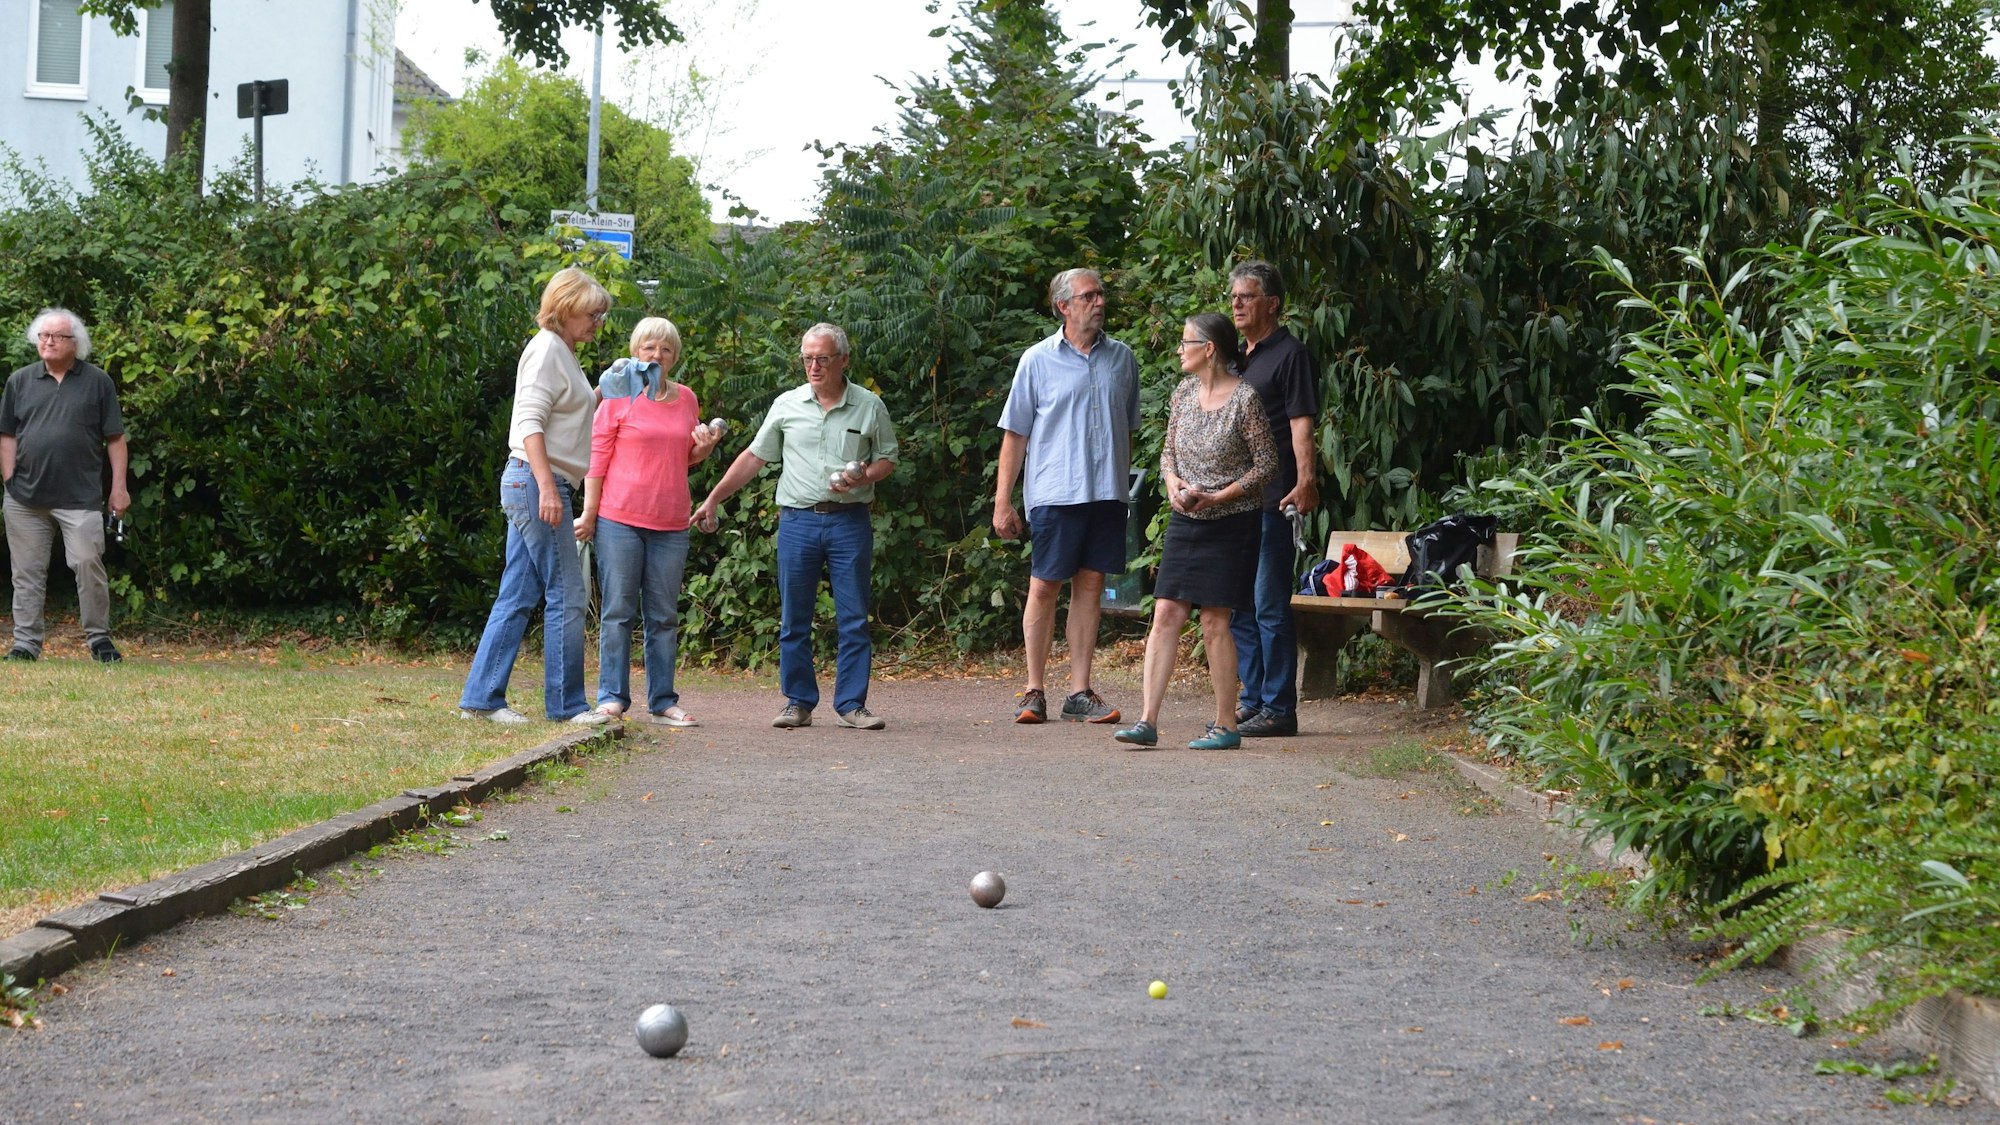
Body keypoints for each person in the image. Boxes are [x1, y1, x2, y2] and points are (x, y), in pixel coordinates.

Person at [693, 324, 898, 731]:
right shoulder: (787, 404)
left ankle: (852, 705)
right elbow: (754, 457)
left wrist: (863, 477)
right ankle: (798, 702)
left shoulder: (869, 405)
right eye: (807, 358)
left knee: (854, 617)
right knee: (794, 618)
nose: (814, 366)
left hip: (848, 521)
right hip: (798, 521)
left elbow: (888, 459)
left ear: (843, 360)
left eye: (822, 358)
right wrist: (714, 497)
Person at [457, 268, 614, 726]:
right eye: (591, 314)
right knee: (567, 591)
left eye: (601, 315)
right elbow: (529, 423)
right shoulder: (547, 349)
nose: (597, 323)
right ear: (564, 307)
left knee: (518, 593)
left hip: (532, 481)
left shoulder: (562, 352)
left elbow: (568, 414)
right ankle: (566, 707)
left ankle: (481, 699)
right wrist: (548, 487)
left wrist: (605, 389)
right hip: (537, 482)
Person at [1115, 313, 1278, 750]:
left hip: (1232, 522)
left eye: (1185, 342)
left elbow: (1267, 465)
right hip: (1187, 519)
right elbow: (1168, 454)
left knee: (1214, 620)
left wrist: (1219, 496)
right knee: (1166, 612)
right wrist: (1172, 485)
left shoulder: (1245, 400)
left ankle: (1227, 725)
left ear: (1209, 349)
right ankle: (1147, 721)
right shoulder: (1183, 393)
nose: (1178, 349)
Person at [993, 268, 1139, 725]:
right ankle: (1034, 689)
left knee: (1091, 585)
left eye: (1101, 294)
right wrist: (1003, 502)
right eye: (1089, 295)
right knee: (1044, 585)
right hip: (1056, 491)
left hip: (1106, 491)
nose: (1099, 301)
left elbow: (1127, 429)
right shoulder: (1036, 360)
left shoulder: (1122, 359)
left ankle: (1079, 691)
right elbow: (1015, 434)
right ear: (1063, 306)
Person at [580, 317, 721, 726]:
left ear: (675, 357)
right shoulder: (616, 396)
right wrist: (589, 514)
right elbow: (597, 457)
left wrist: (705, 451)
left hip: (671, 522)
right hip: (618, 519)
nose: (656, 355)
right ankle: (611, 698)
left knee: (663, 615)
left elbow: (683, 457)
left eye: (665, 349)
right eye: (648, 348)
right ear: (634, 351)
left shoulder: (688, 399)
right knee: (618, 611)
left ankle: (662, 702)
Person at [1, 308, 130, 663]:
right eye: (43, 335)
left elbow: (115, 439)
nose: (48, 341)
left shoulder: (98, 381)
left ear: (76, 343)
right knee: (26, 573)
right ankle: (25, 644)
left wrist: (119, 488)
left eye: (57, 336)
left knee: (89, 563)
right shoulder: (20, 381)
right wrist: (9, 479)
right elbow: (7, 434)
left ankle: (99, 640)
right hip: (25, 498)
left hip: (80, 497)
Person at [1225, 260, 1321, 738]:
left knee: (1268, 604)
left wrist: (1306, 481)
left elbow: (1302, 423)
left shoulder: (1290, 354)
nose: (1236, 304)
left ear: (1272, 303)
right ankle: (1254, 698)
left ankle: (1280, 708)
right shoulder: (1239, 358)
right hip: (1234, 501)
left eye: (1246, 296)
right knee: (1239, 605)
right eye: (1234, 297)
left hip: (1273, 498)